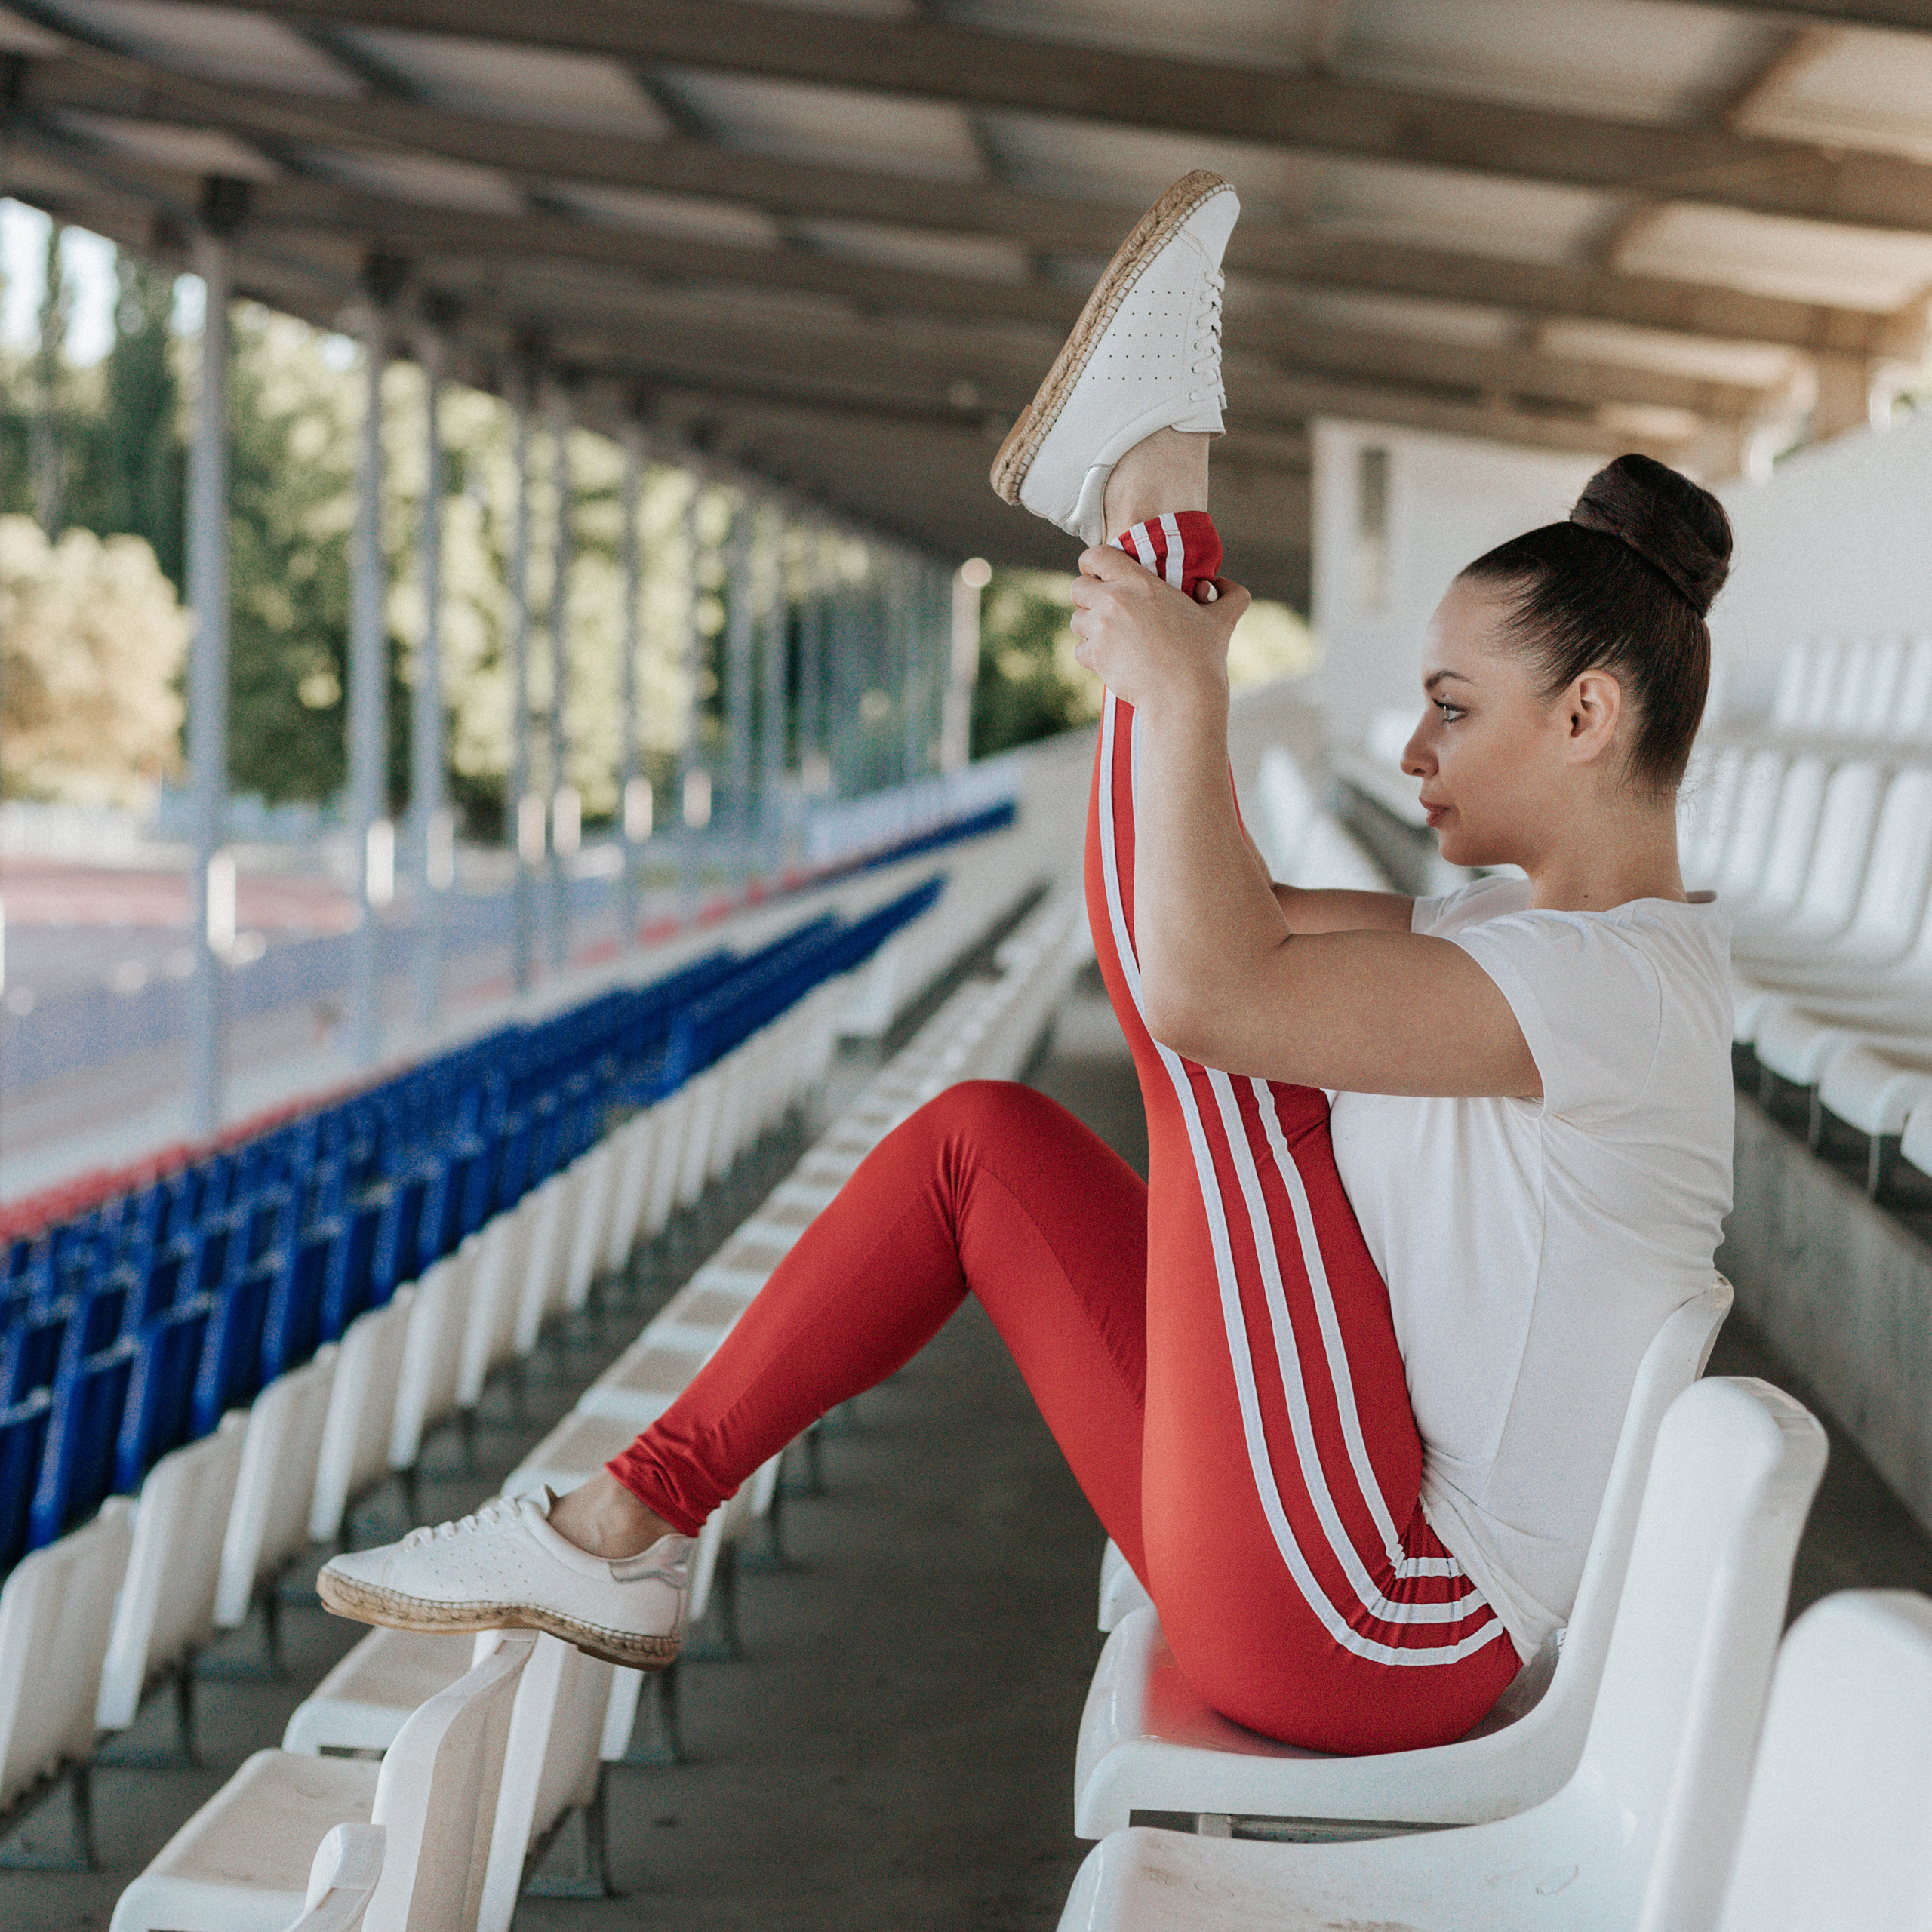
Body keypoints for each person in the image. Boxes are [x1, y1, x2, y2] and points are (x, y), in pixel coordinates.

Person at [318, 171, 1735, 1756]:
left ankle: (1154, 467)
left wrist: (1181, 683)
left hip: (1389, 1614)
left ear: (1588, 715)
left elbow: (1199, 992)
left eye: (1451, 707)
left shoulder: (1617, 991)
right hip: (1325, 1540)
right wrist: (1162, 672)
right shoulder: (1524, 944)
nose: (1411, 750)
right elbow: (1194, 918)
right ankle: (624, 1525)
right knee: (973, 1146)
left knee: (1223, 1055)